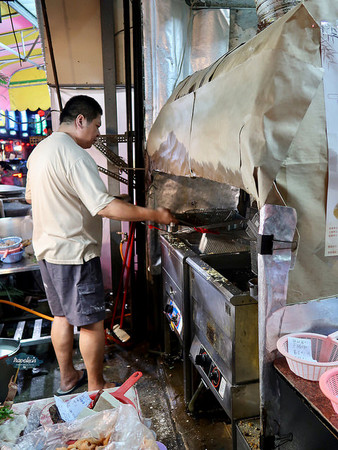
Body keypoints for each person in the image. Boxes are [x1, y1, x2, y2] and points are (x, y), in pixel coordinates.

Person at [25, 95, 176, 394]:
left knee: (62, 317)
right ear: (80, 120)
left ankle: (68, 377)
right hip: (74, 254)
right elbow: (104, 207)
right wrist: (155, 214)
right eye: (95, 125)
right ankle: (96, 385)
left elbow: (32, 196)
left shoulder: (41, 150)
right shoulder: (76, 155)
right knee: (92, 323)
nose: (96, 134)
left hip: (47, 250)